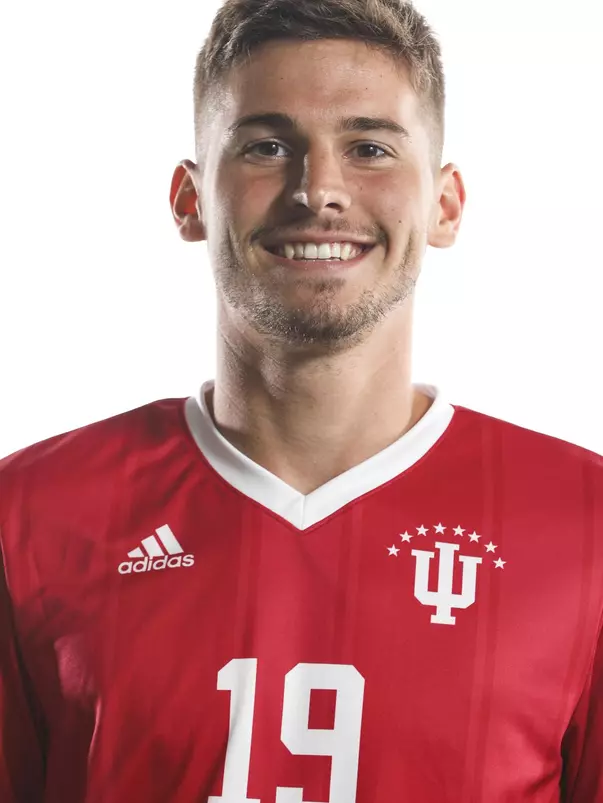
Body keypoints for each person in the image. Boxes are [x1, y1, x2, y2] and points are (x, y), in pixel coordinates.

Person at [1, 0, 601, 800]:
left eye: (369, 147)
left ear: (445, 204)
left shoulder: (584, 522)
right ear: (189, 200)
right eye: (266, 146)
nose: (317, 189)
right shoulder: (30, 516)